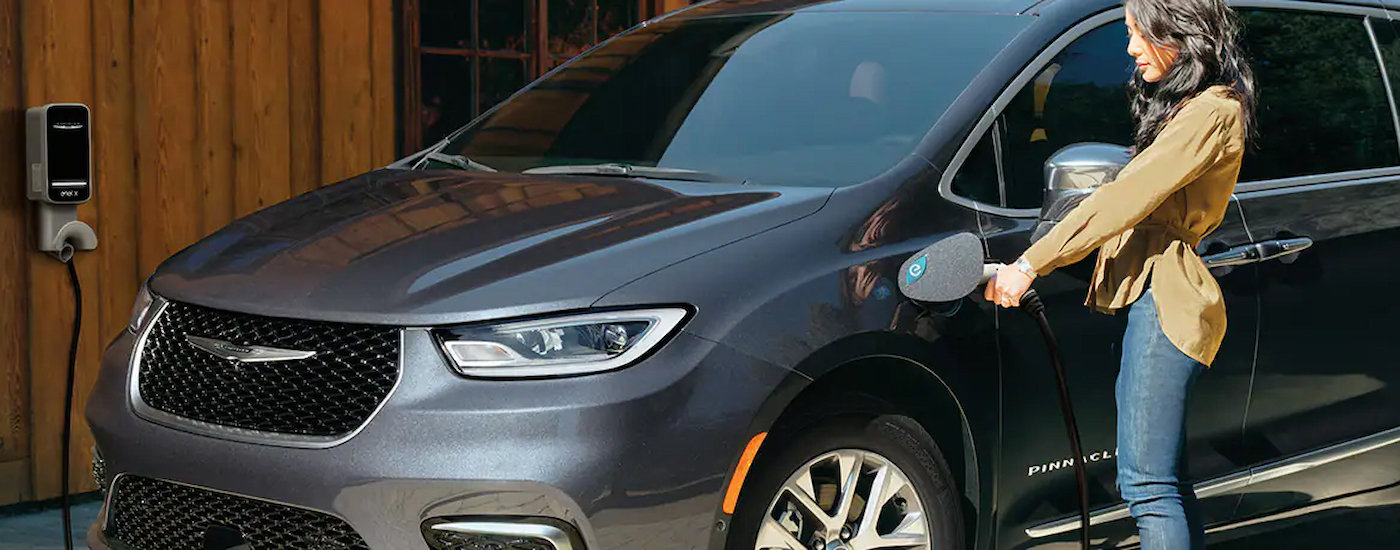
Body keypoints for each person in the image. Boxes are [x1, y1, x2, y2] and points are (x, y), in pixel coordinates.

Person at [985, 0, 1256, 548]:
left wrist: (1030, 264)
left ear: (1177, 31)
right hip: (1147, 295)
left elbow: (1126, 197)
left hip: (1165, 302)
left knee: (1148, 486)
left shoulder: (1213, 111)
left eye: (1138, 33)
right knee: (1166, 481)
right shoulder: (1190, 108)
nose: (1130, 48)